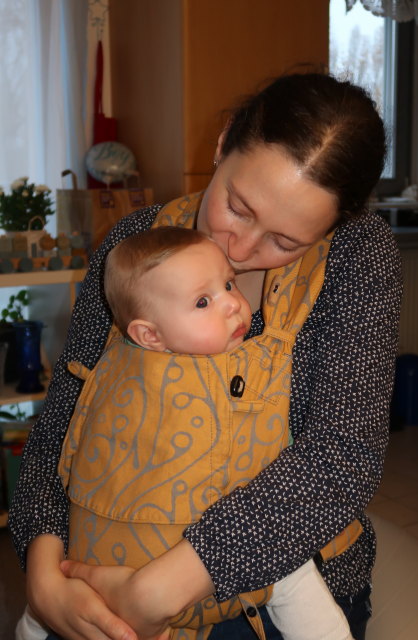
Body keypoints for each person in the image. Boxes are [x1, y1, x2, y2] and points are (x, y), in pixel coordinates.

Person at [9, 71, 402, 640]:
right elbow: (62, 426)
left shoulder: (358, 258)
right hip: (111, 559)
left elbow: (341, 457)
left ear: (334, 226)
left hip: (281, 588)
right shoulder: (135, 246)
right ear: (222, 144)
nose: (238, 250)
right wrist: (45, 578)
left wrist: (158, 589)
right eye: (237, 207)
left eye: (285, 242)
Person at [16, 226, 353, 640]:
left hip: (221, 545)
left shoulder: (352, 256)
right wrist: (44, 587)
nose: (232, 303)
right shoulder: (120, 355)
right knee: (290, 574)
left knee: (289, 564)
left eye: (228, 284)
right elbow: (52, 444)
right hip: (102, 561)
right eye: (202, 301)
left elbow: (338, 460)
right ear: (149, 336)